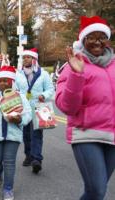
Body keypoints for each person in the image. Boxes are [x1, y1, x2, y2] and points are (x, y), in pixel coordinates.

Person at [56, 16, 115, 200]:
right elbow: (67, 107)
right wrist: (76, 74)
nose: (97, 42)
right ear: (83, 40)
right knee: (97, 191)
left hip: (112, 136)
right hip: (86, 134)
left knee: (96, 191)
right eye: (92, 37)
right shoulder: (74, 65)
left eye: (101, 37)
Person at [0, 66, 32, 200]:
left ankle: (8, 188)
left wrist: (20, 119)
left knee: (9, 162)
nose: (3, 83)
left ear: (12, 82)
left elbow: (28, 115)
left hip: (13, 135)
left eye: (6, 80)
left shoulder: (20, 96)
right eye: (0, 81)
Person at [15, 48, 54, 174]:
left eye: (28, 57)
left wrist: (44, 95)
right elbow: (15, 90)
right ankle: (29, 155)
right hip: (24, 108)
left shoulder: (43, 74)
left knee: (36, 135)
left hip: (40, 107)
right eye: (24, 57)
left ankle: (37, 159)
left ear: (34, 59)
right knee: (26, 134)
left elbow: (50, 89)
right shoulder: (18, 74)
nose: (25, 59)